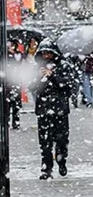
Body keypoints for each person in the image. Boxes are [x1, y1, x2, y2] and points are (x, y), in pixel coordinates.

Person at [28, 40, 75, 180]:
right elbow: (31, 87)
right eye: (44, 53)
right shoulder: (36, 68)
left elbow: (67, 86)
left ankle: (61, 161)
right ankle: (46, 168)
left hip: (60, 109)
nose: (46, 56)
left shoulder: (63, 66)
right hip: (43, 109)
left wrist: (53, 76)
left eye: (49, 53)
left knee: (61, 139)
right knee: (45, 141)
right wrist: (39, 77)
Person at [6, 40, 23, 130]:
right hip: (8, 81)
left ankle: (16, 122)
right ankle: (7, 121)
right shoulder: (5, 55)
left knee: (16, 103)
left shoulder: (18, 54)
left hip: (16, 80)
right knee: (7, 103)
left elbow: (20, 64)